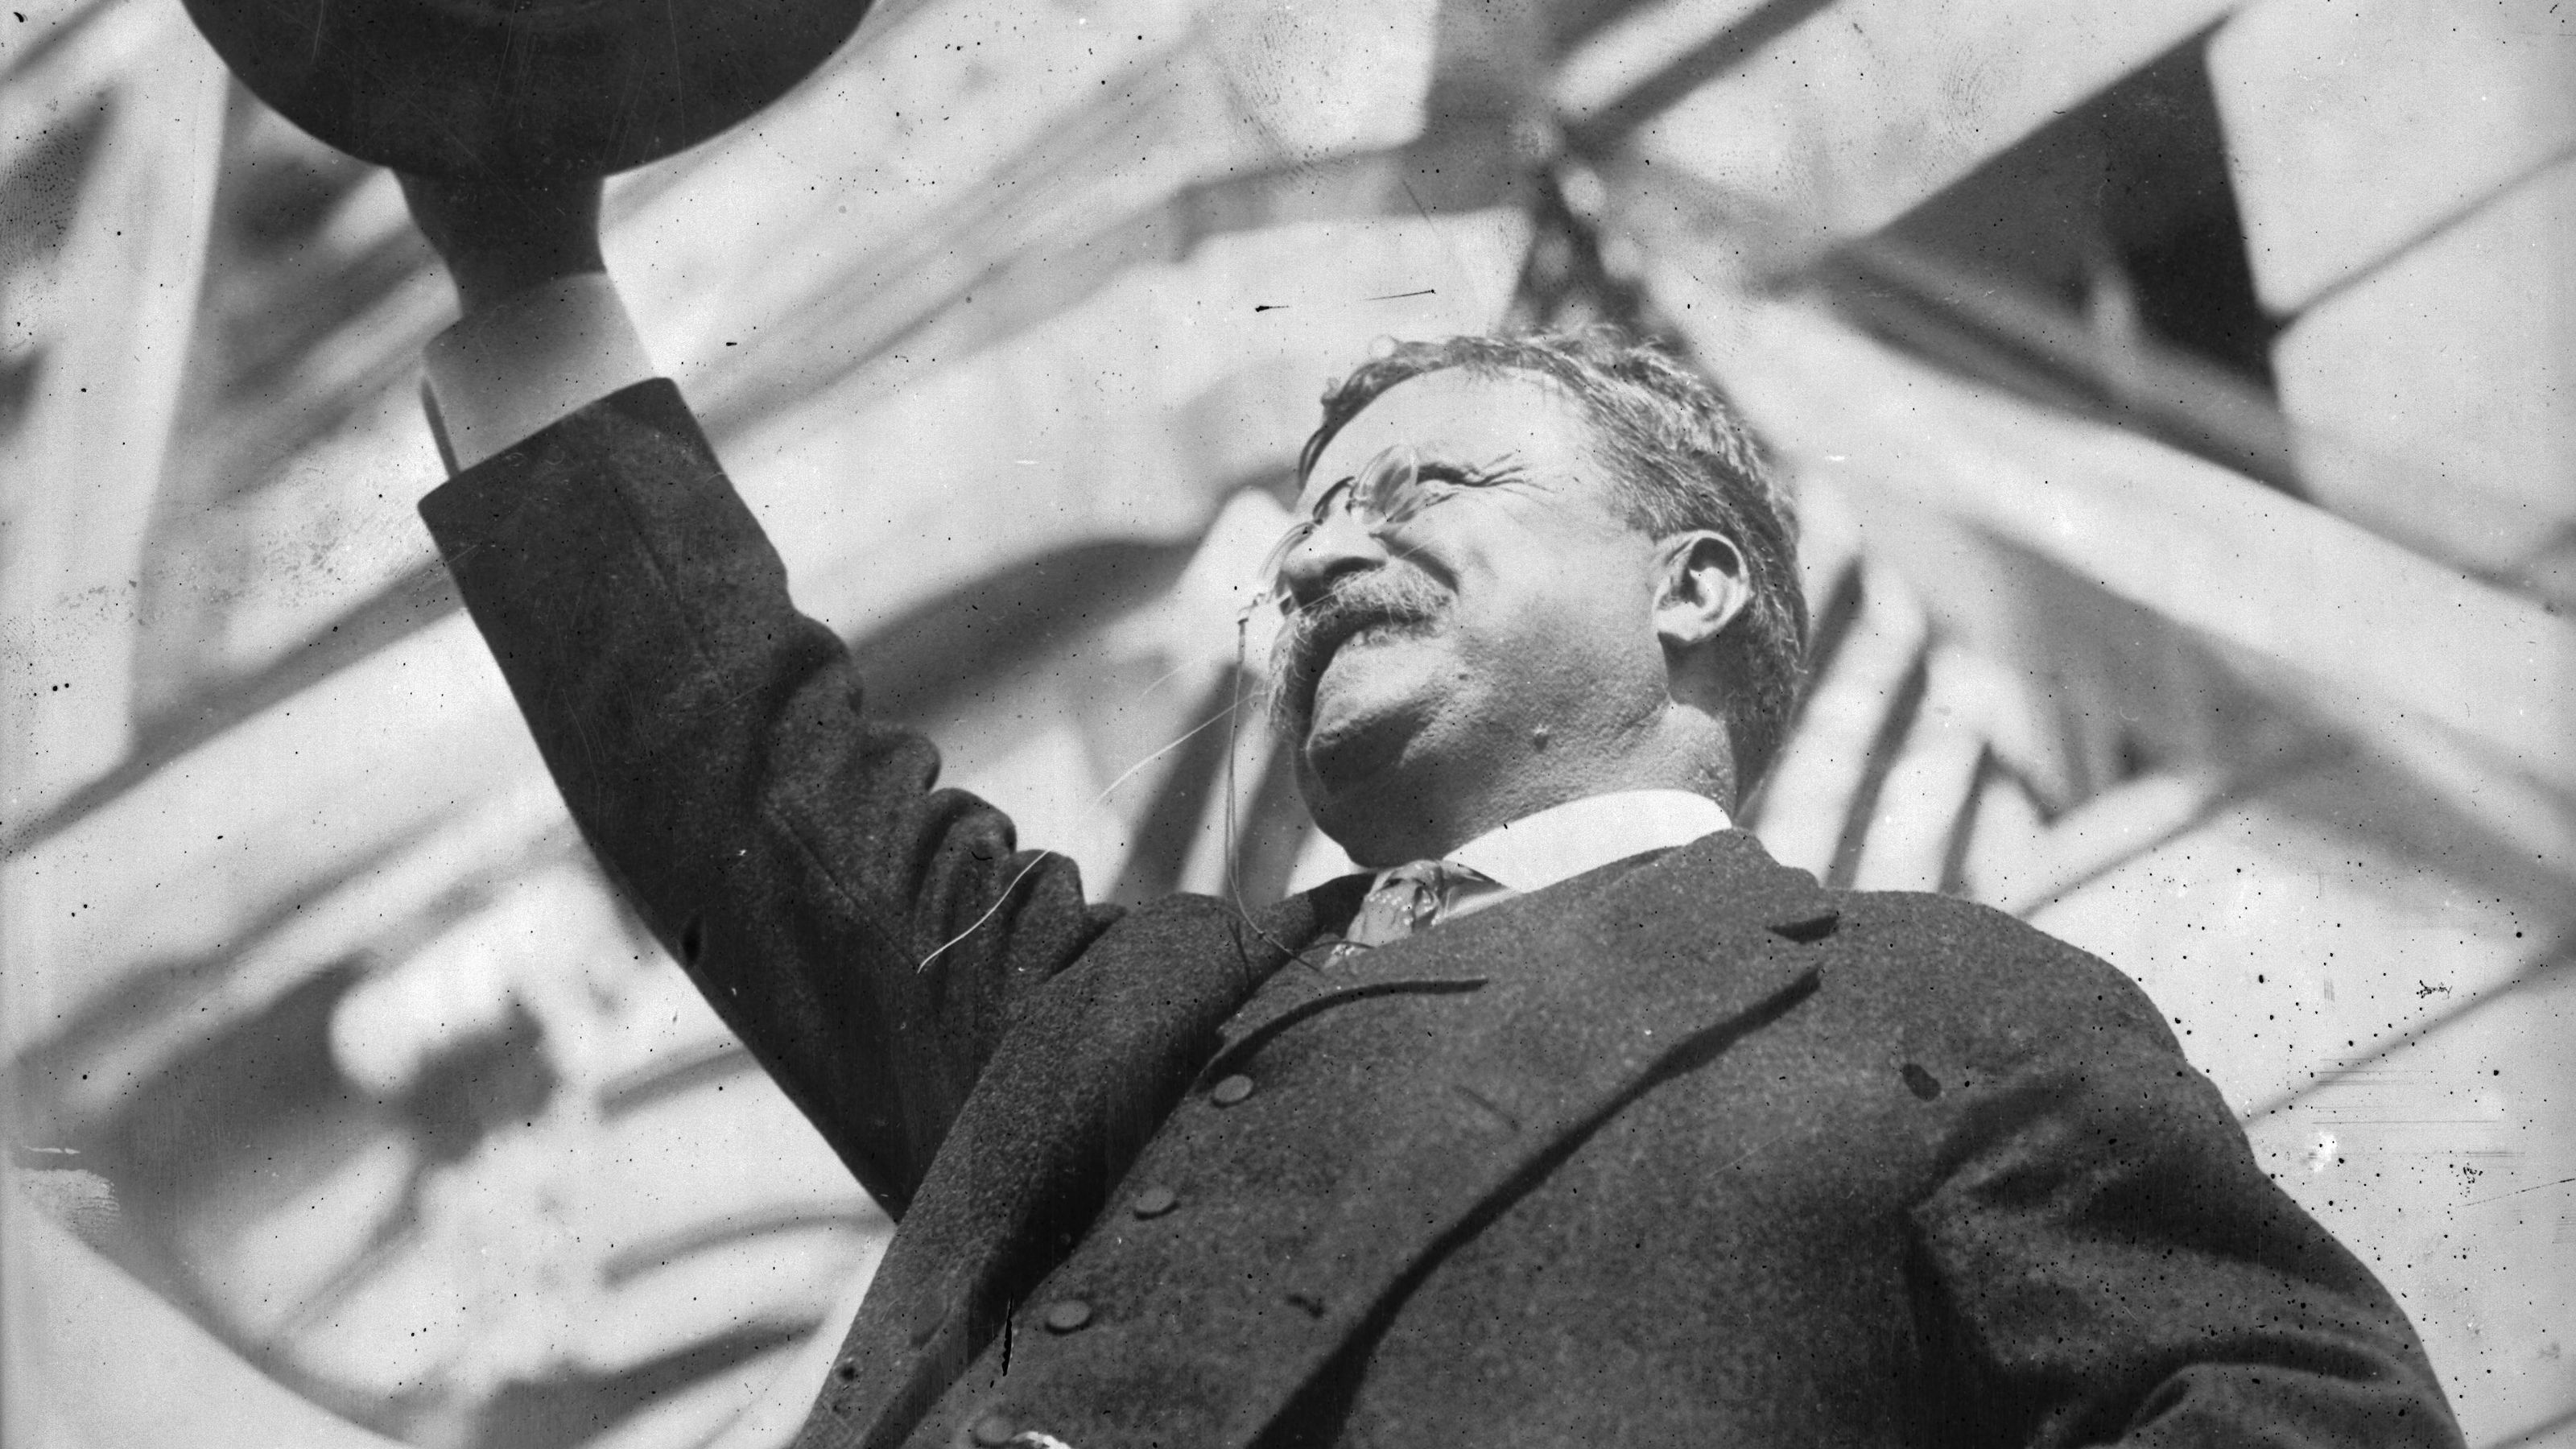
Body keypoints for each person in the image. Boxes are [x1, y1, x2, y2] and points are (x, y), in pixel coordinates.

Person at [400, 173, 2462, 1449]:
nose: (1312, 561)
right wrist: (523, 265)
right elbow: (748, 773)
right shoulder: (1115, 1016)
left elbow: (2298, 1425)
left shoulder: (1942, 1001)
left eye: (1425, 491)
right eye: (1304, 525)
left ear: (1694, 587)